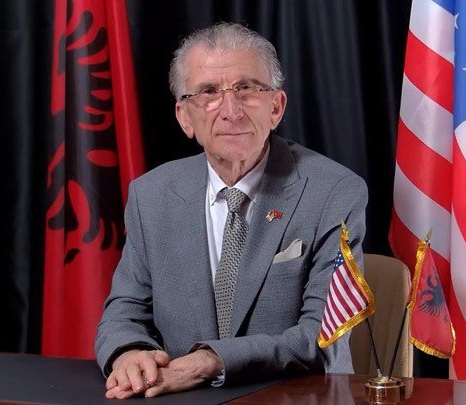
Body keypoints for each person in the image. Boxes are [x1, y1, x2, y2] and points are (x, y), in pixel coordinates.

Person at [95, 22, 368, 399]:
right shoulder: (152, 195)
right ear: (184, 117)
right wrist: (129, 352)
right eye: (208, 92)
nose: (231, 111)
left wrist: (212, 361)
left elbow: (322, 335)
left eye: (247, 89)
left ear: (276, 107)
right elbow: (125, 309)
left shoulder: (333, 192)